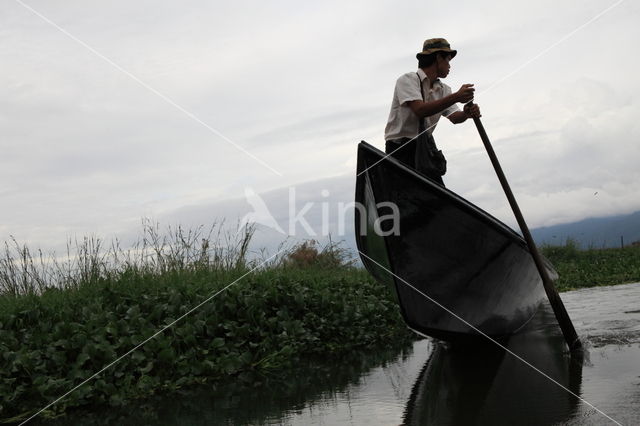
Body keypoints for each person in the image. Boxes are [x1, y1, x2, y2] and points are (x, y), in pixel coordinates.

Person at [384, 38, 481, 185]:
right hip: (400, 150)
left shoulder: (443, 90)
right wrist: (456, 97)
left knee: (436, 199)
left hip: (425, 149)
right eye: (448, 60)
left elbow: (455, 117)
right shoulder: (407, 80)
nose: (449, 66)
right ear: (438, 58)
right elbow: (420, 110)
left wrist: (466, 114)